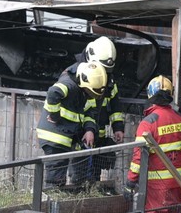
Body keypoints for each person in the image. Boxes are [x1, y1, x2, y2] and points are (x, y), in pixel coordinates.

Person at [125, 75, 181, 213]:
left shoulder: (148, 122)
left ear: (150, 94)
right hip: (177, 187)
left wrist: (130, 183)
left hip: (157, 190)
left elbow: (138, 158)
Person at [35, 60, 107, 188]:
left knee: (65, 174)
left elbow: (89, 113)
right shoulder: (69, 85)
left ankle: (58, 199)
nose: (92, 96)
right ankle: (50, 203)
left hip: (67, 135)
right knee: (55, 177)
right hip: (55, 137)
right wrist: (55, 116)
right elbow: (53, 93)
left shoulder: (85, 91)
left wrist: (89, 129)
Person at [75, 36, 125, 182]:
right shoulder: (80, 75)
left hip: (98, 136)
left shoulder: (109, 80)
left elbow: (115, 104)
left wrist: (118, 127)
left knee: (95, 176)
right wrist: (88, 130)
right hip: (82, 137)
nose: (104, 72)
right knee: (79, 175)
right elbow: (82, 108)